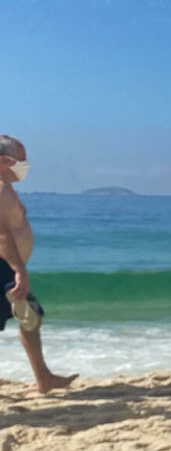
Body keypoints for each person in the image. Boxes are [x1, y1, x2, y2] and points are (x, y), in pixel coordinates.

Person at [0, 135, 76, 393]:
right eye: (21, 161)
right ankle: (44, 378)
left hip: (6, 266)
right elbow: (1, 234)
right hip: (4, 266)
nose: (25, 165)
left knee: (29, 314)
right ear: (3, 160)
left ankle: (43, 378)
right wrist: (19, 270)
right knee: (29, 313)